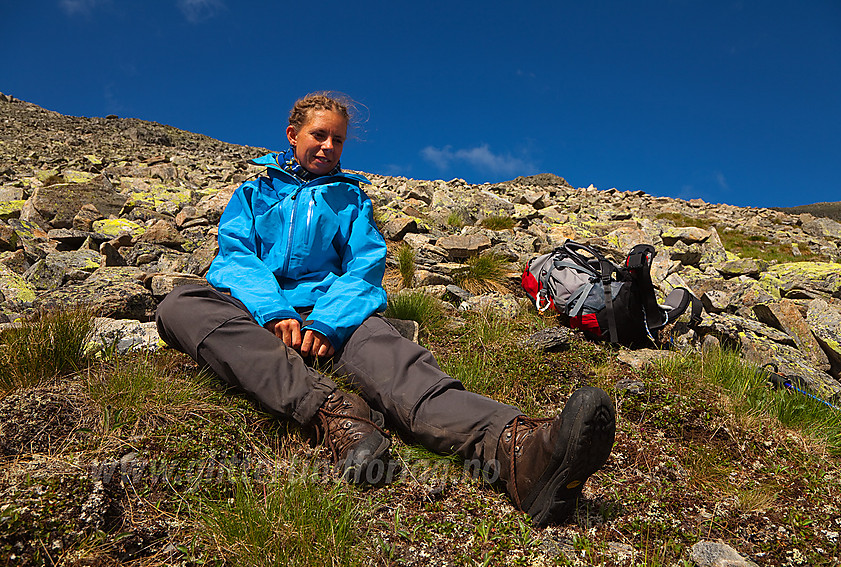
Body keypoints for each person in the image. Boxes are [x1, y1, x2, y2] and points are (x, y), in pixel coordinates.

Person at [155, 92, 616, 527]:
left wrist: (327, 322)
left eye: (338, 139)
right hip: (256, 316)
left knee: (406, 373)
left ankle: (520, 453)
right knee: (180, 304)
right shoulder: (252, 195)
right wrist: (275, 313)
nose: (329, 146)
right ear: (292, 134)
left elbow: (365, 267)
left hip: (332, 316)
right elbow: (235, 258)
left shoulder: (353, 199)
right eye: (319, 135)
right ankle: (336, 415)